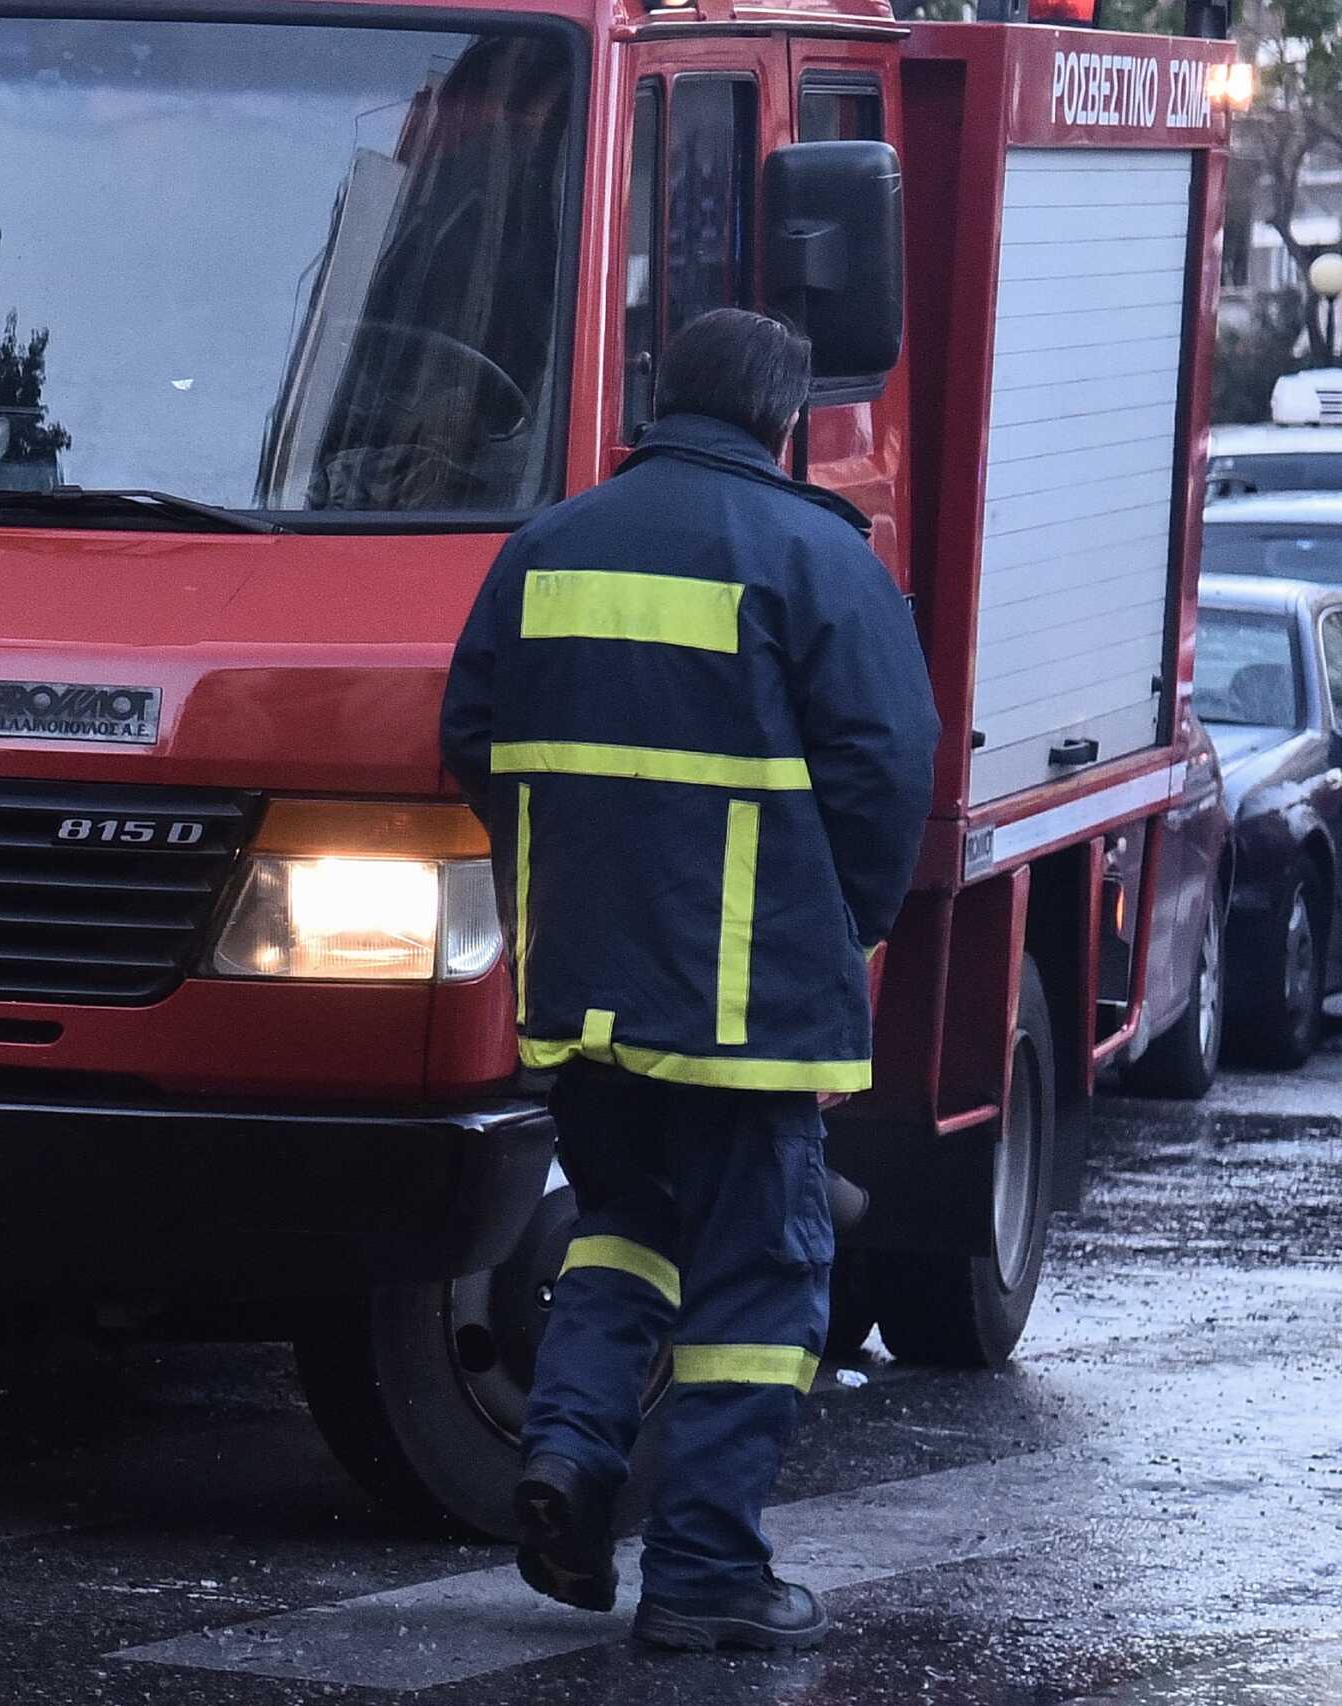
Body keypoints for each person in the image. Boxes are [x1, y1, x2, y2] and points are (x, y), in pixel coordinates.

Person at [438, 307, 938, 1653]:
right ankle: (708, 1565)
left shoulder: (545, 546)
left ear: (662, 399)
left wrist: (574, 872)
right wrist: (847, 924)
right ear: (785, 421)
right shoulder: (815, 557)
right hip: (744, 1002)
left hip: (581, 982)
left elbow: (470, 734)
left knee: (626, 1224)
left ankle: (568, 1461)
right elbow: (890, 769)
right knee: (765, 1277)